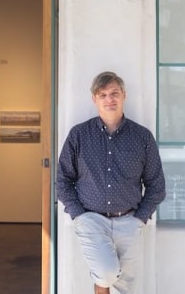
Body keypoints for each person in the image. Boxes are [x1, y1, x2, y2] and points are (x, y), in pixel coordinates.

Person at [56, 71, 166, 294]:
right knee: (106, 273)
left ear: (124, 95)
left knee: (125, 286)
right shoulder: (79, 135)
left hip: (130, 220)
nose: (110, 99)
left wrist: (140, 218)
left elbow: (156, 184)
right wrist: (79, 215)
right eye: (103, 94)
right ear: (94, 99)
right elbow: (63, 180)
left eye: (114, 93)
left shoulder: (142, 137)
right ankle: (100, 285)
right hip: (91, 220)